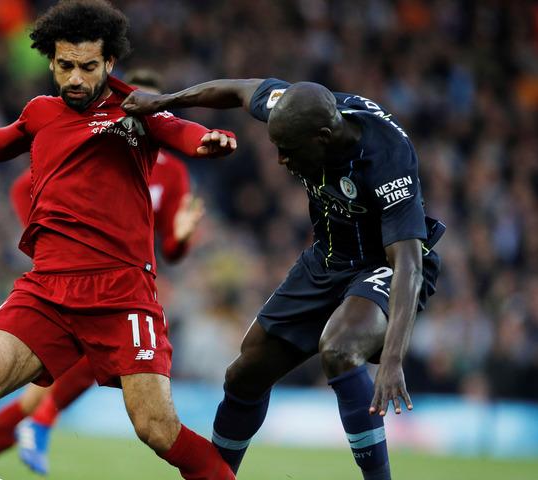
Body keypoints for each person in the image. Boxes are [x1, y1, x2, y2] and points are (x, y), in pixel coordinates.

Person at [0, 2, 237, 480]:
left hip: (122, 293)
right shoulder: (41, 113)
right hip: (48, 287)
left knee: (157, 428)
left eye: (88, 67)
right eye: (66, 66)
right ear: (52, 62)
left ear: (109, 63)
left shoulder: (135, 107)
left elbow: (177, 129)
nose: (75, 78)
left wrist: (206, 140)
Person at [122, 78, 444, 480]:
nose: (280, 160)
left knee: (339, 348)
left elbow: (409, 264)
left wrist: (393, 359)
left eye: (289, 151)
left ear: (323, 137)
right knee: (245, 372)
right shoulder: (292, 109)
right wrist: (163, 101)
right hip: (327, 259)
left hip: (385, 265)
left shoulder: (387, 157)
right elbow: (237, 90)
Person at [0, 70, 206, 479]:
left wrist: (183, 238)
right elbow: (19, 188)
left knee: (40, 398)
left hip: (124, 289)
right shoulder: (93, 140)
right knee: (36, 395)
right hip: (69, 279)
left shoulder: (171, 172)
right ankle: (5, 441)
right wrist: (49, 238)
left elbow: (171, 248)